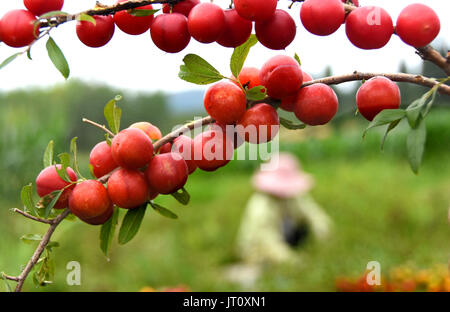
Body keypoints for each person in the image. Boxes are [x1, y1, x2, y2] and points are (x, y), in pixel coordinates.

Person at [235, 153, 332, 265]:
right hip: (257, 249)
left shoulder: (294, 197)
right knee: (264, 258)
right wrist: (293, 260)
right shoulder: (262, 206)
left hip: (285, 237)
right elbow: (268, 242)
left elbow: (314, 215)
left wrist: (325, 236)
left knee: (303, 229)